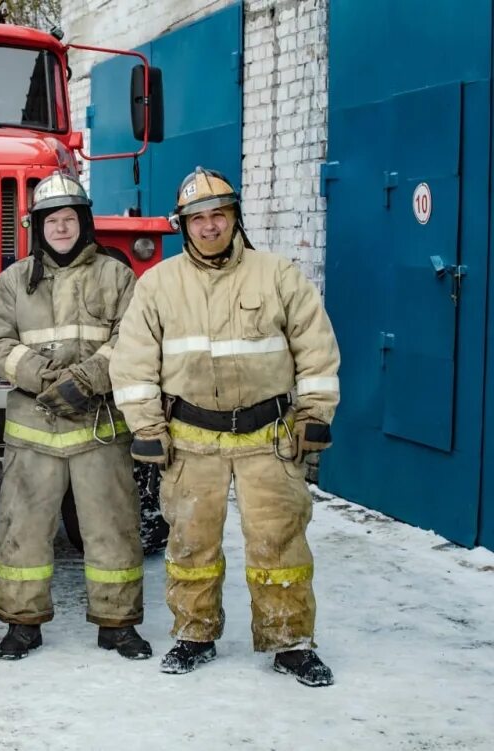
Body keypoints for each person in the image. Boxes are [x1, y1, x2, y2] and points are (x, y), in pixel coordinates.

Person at [109, 166, 341, 687]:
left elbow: (316, 349)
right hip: (191, 438)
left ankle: (291, 642)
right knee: (190, 544)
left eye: (219, 215)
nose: (210, 227)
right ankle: (194, 635)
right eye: (198, 219)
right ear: (183, 225)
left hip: (270, 436)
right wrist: (147, 427)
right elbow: (133, 362)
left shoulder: (277, 274)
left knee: (280, 542)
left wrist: (316, 414)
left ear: (235, 219)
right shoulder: (158, 284)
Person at [0, 172, 151, 661]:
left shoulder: (116, 275)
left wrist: (89, 380)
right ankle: (22, 623)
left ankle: (118, 623)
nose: (60, 228)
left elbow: (133, 339)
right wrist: (43, 378)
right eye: (51, 220)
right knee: (23, 529)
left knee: (112, 527)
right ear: (37, 226)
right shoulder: (14, 280)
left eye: (68, 219)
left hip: (98, 427)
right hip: (33, 428)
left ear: (84, 223)